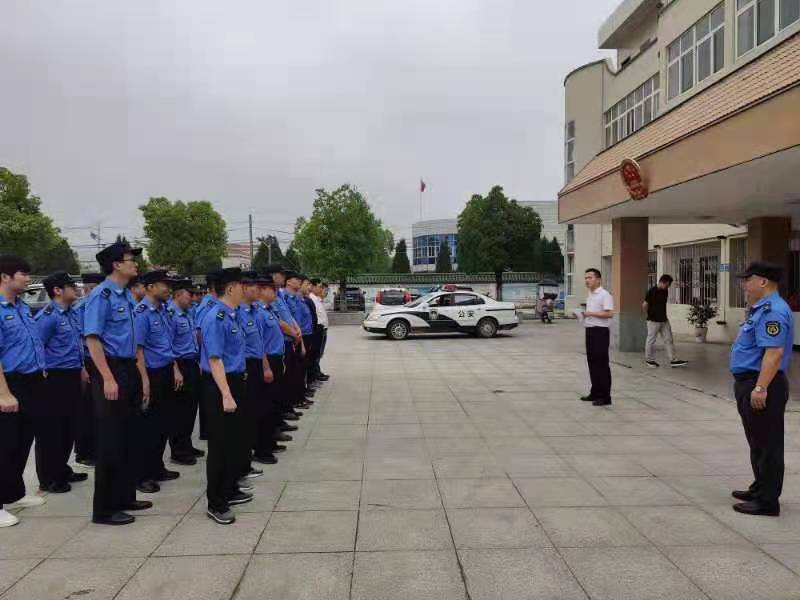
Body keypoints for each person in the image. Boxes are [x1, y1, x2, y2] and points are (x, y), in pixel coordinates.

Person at [83, 241, 152, 525]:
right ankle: (104, 509)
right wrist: (107, 377)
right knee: (111, 441)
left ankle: (124, 496)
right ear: (116, 265)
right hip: (111, 369)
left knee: (129, 437)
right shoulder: (101, 296)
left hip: (128, 367)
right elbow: (92, 339)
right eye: (130, 259)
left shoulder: (125, 296)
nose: (135, 264)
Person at [730, 261, 794, 517]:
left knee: (768, 444)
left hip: (762, 383)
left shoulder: (773, 311)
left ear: (763, 282)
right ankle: (760, 488)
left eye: (748, 280)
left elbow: (774, 353)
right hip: (750, 381)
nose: (744, 285)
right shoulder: (761, 308)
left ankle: (768, 501)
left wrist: (760, 388)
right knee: (757, 440)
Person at [199, 267, 252, 525]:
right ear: (230, 288)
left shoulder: (232, 314)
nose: (245, 289)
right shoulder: (216, 317)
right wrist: (226, 394)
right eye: (242, 285)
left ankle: (229, 489)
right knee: (220, 445)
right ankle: (216, 503)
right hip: (220, 385)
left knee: (233, 440)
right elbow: (215, 359)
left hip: (234, 381)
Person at [0, 256, 48, 528]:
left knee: (21, 440)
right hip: (8, 382)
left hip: (31, 380)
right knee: (4, 443)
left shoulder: (21, 307)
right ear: (5, 277)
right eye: (23, 274)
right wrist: (3, 393)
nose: (28, 279)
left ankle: (12, 494)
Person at [34, 272, 88, 494]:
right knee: (52, 429)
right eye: (70, 285)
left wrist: (82, 367)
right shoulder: (48, 317)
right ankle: (49, 478)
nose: (75, 288)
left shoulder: (71, 313)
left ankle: (61, 469)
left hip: (72, 374)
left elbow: (75, 345)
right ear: (57, 290)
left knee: (69, 426)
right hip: (54, 377)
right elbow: (37, 347)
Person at [133, 270, 182, 494]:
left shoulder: (162, 311)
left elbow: (167, 344)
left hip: (165, 370)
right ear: (150, 287)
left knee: (163, 424)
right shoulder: (141, 313)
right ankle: (142, 475)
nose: (168, 288)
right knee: (148, 428)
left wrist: (175, 368)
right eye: (164, 284)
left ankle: (157, 467)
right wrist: (144, 381)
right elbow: (138, 350)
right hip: (151, 373)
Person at [236, 271, 272, 485]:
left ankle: (246, 461)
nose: (257, 290)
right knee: (244, 419)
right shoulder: (236, 313)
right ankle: (241, 464)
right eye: (253, 286)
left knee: (254, 414)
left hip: (256, 364)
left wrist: (265, 366)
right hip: (244, 367)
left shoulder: (253, 311)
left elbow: (259, 342)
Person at [253, 273, 290, 464]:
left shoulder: (268, 310)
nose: (275, 292)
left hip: (276, 358)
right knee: (264, 407)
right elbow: (258, 343)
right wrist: (266, 366)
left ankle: (270, 441)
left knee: (273, 403)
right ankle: (262, 449)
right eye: (271, 289)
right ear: (261, 290)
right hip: (266, 361)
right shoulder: (257, 313)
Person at [166, 278, 204, 465]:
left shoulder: (187, 313)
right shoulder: (170, 314)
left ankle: (187, 444)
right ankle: (178, 451)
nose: (193, 298)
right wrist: (175, 369)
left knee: (190, 408)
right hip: (179, 365)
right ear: (178, 294)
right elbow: (167, 345)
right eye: (190, 294)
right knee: (179, 411)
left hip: (191, 363)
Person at [74, 272, 105, 468]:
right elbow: (78, 340)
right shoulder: (82, 308)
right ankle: (84, 452)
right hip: (87, 361)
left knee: (98, 408)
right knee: (87, 409)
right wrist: (82, 367)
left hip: (99, 359)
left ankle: (96, 447)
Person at [579, 268, 614, 406]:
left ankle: (605, 396)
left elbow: (609, 314)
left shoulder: (605, 294)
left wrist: (590, 314)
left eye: (590, 277)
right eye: (585, 278)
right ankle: (595, 392)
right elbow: (592, 313)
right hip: (590, 330)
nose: (587, 280)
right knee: (592, 362)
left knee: (601, 364)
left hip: (600, 332)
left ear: (598, 279)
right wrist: (582, 315)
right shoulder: (590, 295)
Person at [643, 274, 688, 368]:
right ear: (663, 282)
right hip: (653, 321)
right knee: (651, 340)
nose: (668, 287)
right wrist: (647, 315)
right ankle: (649, 360)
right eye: (667, 285)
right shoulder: (651, 291)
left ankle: (674, 360)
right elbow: (644, 305)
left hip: (664, 320)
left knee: (669, 340)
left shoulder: (665, 291)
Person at [309, 279, 329, 382]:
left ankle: (317, 371)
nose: (321, 289)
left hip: (322, 329)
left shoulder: (317, 299)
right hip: (317, 329)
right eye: (320, 287)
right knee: (315, 353)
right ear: (313, 287)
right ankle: (314, 374)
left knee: (319, 352)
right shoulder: (311, 299)